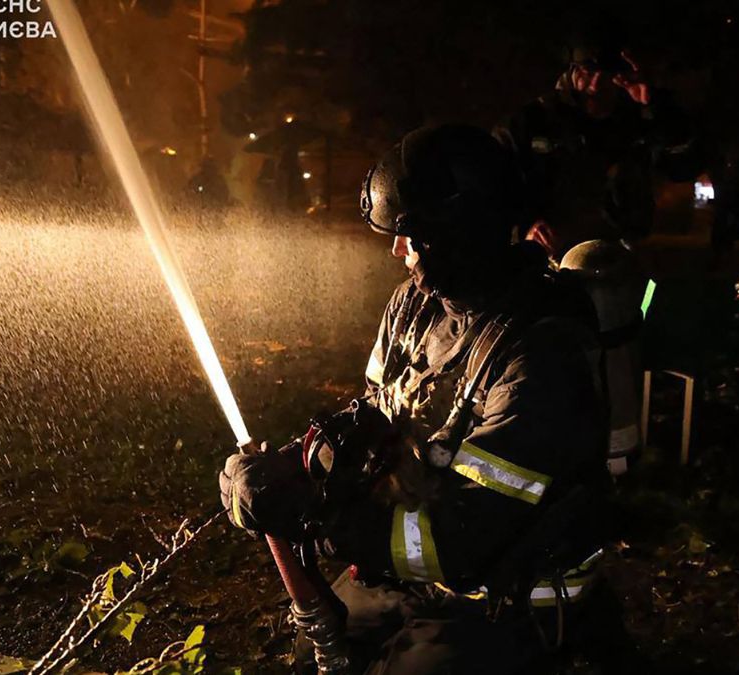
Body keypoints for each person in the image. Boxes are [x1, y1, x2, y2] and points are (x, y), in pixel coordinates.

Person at [219, 125, 618, 673]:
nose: (397, 250)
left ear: (455, 234)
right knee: (317, 653)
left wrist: (317, 520)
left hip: (508, 593)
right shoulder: (418, 304)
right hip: (422, 569)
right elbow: (376, 413)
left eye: (409, 236)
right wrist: (293, 466)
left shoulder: (541, 356)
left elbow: (465, 538)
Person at [494, 27, 698, 261]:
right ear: (572, 69)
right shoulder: (528, 123)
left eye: (608, 74)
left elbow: (683, 166)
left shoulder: (638, 120)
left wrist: (657, 106)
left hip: (620, 257)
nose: (596, 85)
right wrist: (526, 225)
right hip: (548, 261)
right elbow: (493, 191)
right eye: (588, 71)